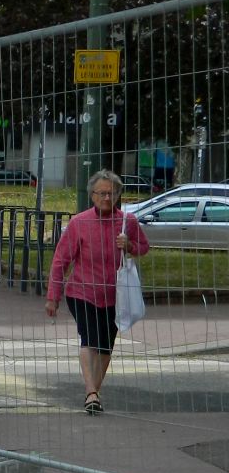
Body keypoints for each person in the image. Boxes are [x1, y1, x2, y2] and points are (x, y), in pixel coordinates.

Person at [45, 168, 149, 414]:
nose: (106, 198)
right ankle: (91, 392)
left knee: (105, 347)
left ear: (118, 196)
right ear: (91, 195)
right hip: (82, 293)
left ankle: (93, 394)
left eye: (111, 194)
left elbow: (144, 247)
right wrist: (53, 297)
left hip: (115, 296)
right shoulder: (79, 223)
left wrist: (129, 245)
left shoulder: (127, 222)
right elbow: (61, 260)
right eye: (101, 193)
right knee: (89, 339)